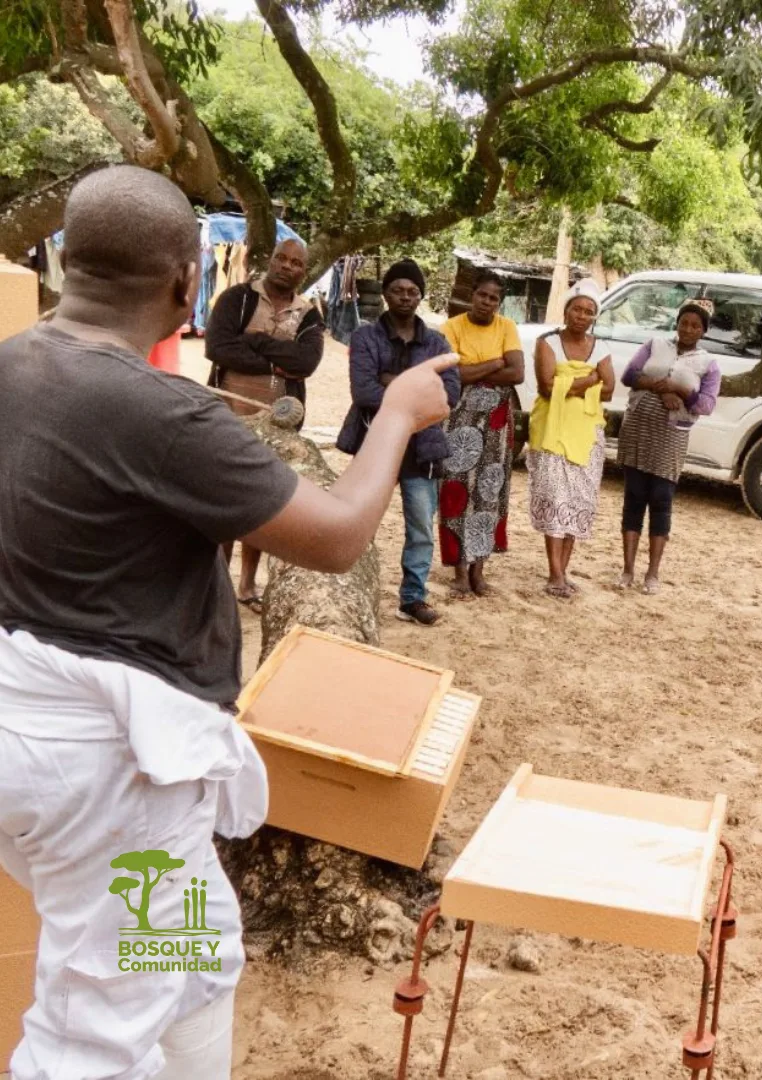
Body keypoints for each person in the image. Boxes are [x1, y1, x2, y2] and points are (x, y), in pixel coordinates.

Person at [0, 165, 456, 1080]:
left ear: (65, 259)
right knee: (96, 1027)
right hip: (111, 774)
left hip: (33, 732)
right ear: (186, 280)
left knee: (193, 951)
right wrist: (398, 417)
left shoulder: (19, 361)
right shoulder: (154, 409)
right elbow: (330, 539)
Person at [337, 258, 461, 626]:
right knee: (362, 520)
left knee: (421, 527)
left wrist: (392, 380)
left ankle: (412, 598)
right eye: (397, 290)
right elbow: (364, 391)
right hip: (374, 443)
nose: (405, 297)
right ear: (386, 294)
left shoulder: (437, 342)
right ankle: (354, 590)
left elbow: (447, 396)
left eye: (412, 291)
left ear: (421, 296)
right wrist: (414, 390)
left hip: (422, 449)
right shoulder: (365, 337)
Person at [205, 238, 326, 613]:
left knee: (261, 502)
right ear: (271, 260)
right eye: (281, 258)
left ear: (303, 271)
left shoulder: (309, 315)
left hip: (279, 424)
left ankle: (246, 586)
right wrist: (276, 361)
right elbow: (217, 348)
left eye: (295, 263)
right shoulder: (237, 299)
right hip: (227, 415)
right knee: (224, 500)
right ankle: (218, 585)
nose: (286, 266)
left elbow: (305, 362)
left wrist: (255, 342)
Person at [615, 298, 720, 594]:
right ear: (676, 323)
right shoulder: (654, 345)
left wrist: (681, 389)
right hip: (638, 428)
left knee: (661, 499)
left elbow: (706, 404)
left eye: (695, 325)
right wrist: (662, 390)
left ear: (703, 331)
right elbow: (629, 376)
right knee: (634, 497)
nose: (688, 329)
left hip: (670, 436)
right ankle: (627, 570)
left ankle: (653, 573)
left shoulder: (708, 364)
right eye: (684, 322)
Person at [526, 279, 615, 598]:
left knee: (579, 499)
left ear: (595, 317)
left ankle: (563, 571)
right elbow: (547, 387)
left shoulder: (601, 346)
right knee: (554, 497)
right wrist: (588, 380)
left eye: (589, 312)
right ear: (566, 311)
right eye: (577, 309)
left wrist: (573, 382)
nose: (582, 315)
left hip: (587, 435)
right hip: (552, 431)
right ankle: (554, 574)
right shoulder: (547, 341)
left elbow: (609, 388)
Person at [438, 270, 525, 596]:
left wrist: (474, 369)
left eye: (494, 298)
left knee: (489, 492)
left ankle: (478, 571)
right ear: (472, 295)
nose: (487, 302)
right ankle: (459, 571)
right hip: (458, 419)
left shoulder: (508, 328)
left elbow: (516, 372)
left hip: (496, 423)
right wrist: (493, 364)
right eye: (483, 295)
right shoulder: (451, 328)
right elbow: (454, 374)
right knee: (456, 490)